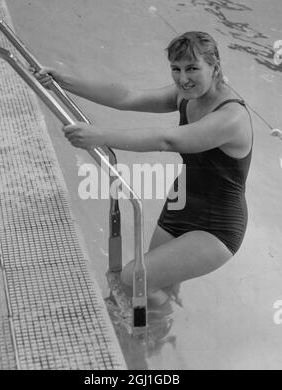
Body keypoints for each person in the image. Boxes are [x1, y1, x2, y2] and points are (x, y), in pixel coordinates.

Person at [36, 31, 253, 306]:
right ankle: (156, 336)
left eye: (193, 69)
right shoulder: (186, 95)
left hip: (217, 227)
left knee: (133, 279)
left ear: (215, 67)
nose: (183, 78)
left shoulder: (231, 117)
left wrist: (101, 136)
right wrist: (64, 81)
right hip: (181, 205)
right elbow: (128, 97)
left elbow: (167, 140)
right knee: (157, 286)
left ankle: (148, 333)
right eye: (176, 69)